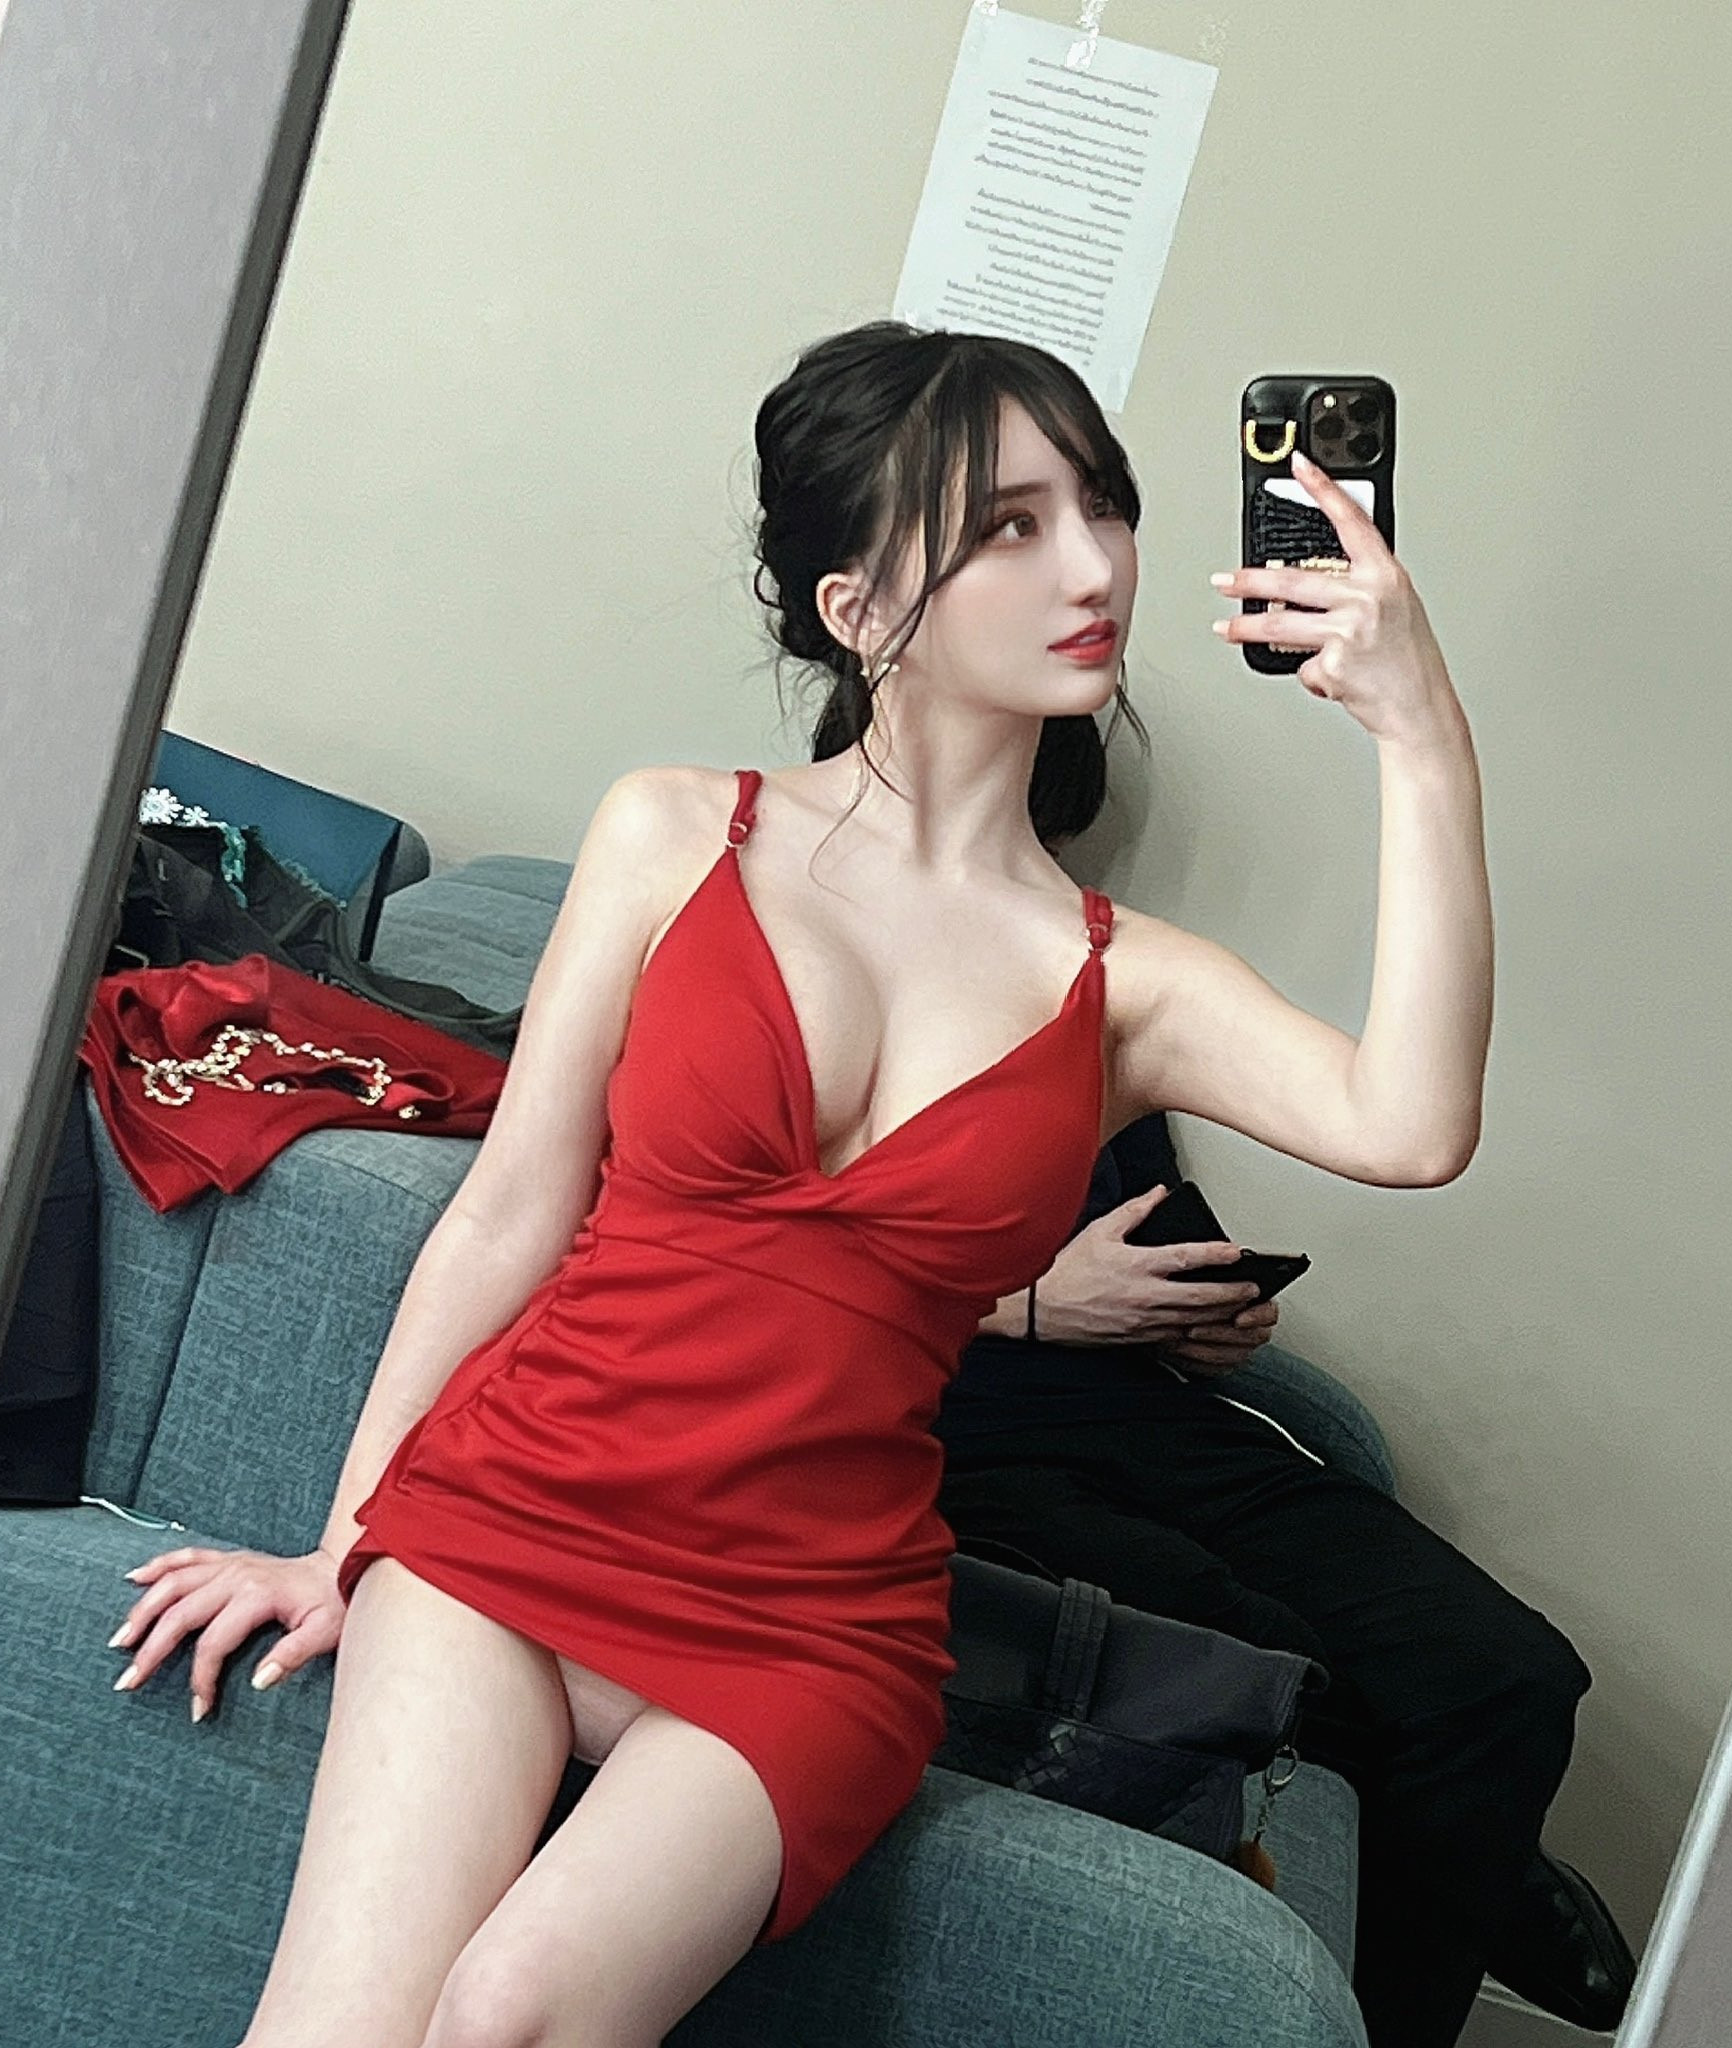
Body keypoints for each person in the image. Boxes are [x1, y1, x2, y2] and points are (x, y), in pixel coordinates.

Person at [102, 318, 1491, 2048]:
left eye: (1103, 506)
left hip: (810, 1620)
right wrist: (342, 1538)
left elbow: (1409, 1125)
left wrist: (1420, 735)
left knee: (511, 2013)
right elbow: (509, 1212)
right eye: (1008, 525)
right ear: (857, 605)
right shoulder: (672, 832)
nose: (1091, 565)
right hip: (519, 1503)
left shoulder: (1124, 981)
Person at [920, 1101, 1637, 2048]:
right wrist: (1026, 1304)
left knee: (1509, 1678)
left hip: (1151, 1417)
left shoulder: (1091, 1036)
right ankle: (1487, 1869)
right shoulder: (792, 1049)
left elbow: (1151, 1233)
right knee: (1290, 1669)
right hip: (939, 1444)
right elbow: (745, 1296)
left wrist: (1190, 1319)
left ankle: (1468, 1893)